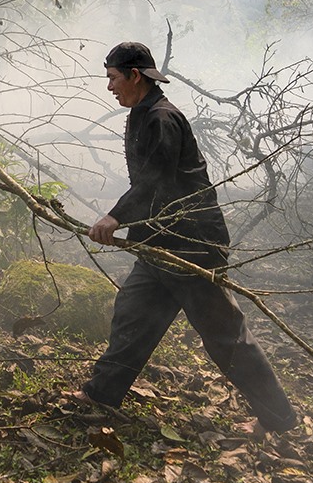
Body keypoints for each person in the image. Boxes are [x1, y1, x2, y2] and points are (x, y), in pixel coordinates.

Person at [74, 40, 299, 434]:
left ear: (134, 75)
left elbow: (156, 182)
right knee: (134, 315)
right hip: (160, 242)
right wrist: (132, 225)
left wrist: (114, 217)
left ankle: (279, 420)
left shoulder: (162, 118)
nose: (109, 87)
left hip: (192, 245)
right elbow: (147, 184)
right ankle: (100, 395)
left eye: (112, 78)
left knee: (225, 337)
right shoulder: (140, 114)